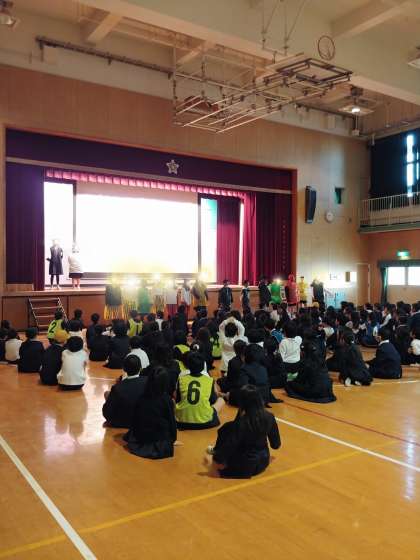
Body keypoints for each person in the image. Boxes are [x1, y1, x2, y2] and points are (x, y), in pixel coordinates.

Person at [208, 385, 281, 479]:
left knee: (226, 428)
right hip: (263, 462)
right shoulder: (270, 416)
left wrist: (216, 457)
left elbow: (228, 447)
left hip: (243, 467)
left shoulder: (241, 424)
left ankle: (216, 450)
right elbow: (276, 445)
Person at [125, 367, 177, 459]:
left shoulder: (141, 398)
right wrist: (172, 439)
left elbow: (134, 420)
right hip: (159, 443)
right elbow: (171, 421)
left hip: (141, 439)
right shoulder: (167, 400)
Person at [175, 352, 225, 430]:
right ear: (203, 366)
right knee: (221, 400)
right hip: (205, 422)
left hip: (181, 421)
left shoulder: (181, 379)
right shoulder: (209, 380)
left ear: (188, 366)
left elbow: (177, 399)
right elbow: (213, 400)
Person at [103, 355, 147, 428]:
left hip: (122, 422)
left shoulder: (117, 387)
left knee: (107, 394)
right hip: (141, 421)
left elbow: (106, 413)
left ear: (124, 369)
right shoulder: (148, 382)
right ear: (141, 368)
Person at [217, 339, 248, 405]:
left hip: (235, 386)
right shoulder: (250, 358)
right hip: (247, 385)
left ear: (234, 350)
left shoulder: (233, 361)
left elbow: (230, 377)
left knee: (219, 381)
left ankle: (225, 394)